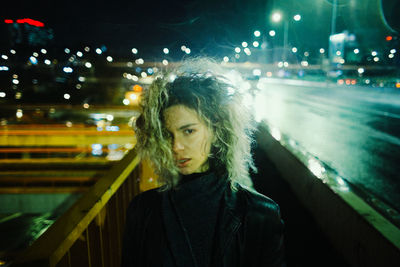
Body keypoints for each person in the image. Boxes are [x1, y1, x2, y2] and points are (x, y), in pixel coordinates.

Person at [121, 58, 285, 267]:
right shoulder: (143, 210)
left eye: (188, 131)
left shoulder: (260, 214)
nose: (176, 147)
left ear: (217, 131)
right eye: (167, 135)